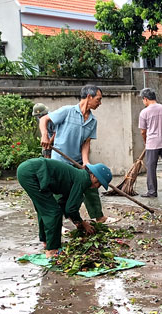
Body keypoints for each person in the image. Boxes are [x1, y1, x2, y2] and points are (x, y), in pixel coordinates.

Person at [38, 84, 115, 224]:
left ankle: (99, 217)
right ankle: (56, 223)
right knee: (59, 193)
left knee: (90, 185)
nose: (100, 103)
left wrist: (86, 162)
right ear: (89, 97)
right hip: (60, 160)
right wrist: (44, 135)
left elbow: (86, 143)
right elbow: (44, 119)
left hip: (77, 160)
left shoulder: (93, 121)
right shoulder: (67, 111)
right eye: (98, 99)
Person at [16, 158, 113, 258]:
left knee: (44, 209)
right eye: (99, 183)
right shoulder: (84, 180)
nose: (97, 187)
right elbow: (71, 209)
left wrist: (77, 222)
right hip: (31, 173)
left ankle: (46, 242)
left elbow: (65, 205)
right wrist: (83, 223)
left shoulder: (79, 176)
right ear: (93, 175)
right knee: (53, 212)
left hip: (28, 170)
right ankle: (52, 250)